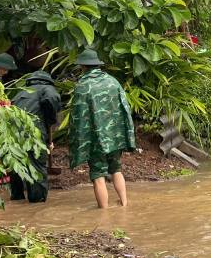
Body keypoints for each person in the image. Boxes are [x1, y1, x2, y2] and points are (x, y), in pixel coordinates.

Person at [68, 49, 137, 209]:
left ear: (83, 67)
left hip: (95, 139)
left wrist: (77, 143)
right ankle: (124, 204)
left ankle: (103, 214)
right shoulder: (113, 82)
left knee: (98, 175)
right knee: (116, 169)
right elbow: (125, 110)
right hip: (115, 136)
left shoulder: (83, 86)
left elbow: (78, 118)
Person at [9, 70, 62, 203]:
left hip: (13, 133)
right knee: (37, 165)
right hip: (33, 132)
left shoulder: (21, 92)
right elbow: (52, 99)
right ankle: (36, 201)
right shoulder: (47, 88)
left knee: (17, 166)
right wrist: (51, 118)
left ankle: (17, 197)